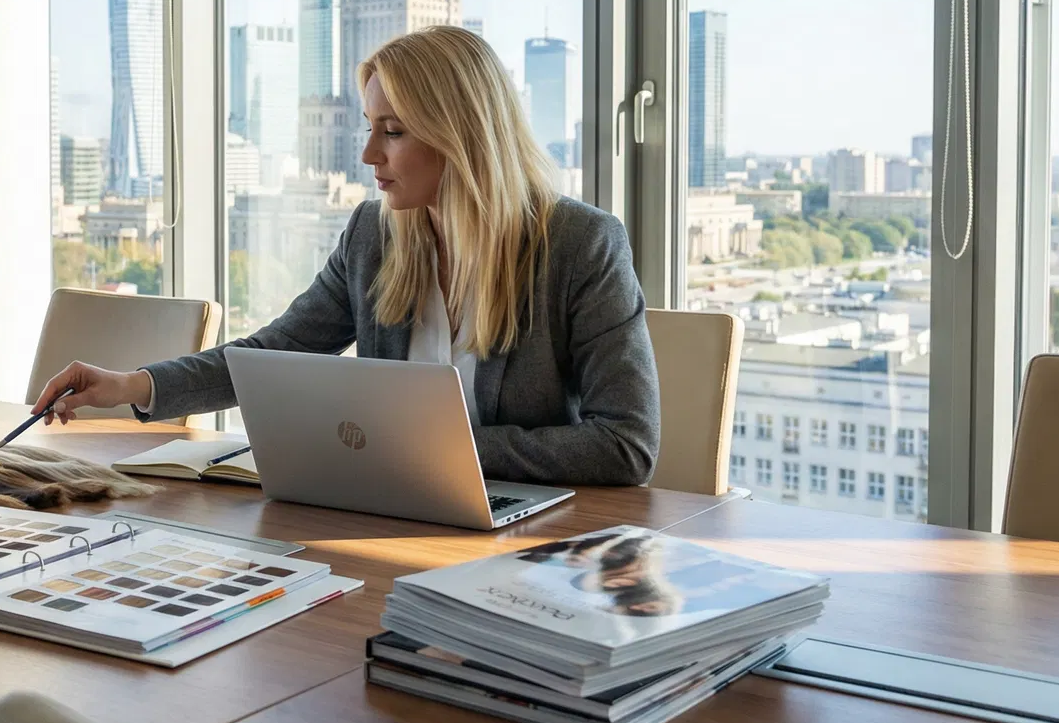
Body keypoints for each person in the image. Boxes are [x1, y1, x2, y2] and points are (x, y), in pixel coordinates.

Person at [34, 25, 659, 486]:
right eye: (369, 127)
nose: (368, 156)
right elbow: (275, 353)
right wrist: (131, 386)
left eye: (393, 131)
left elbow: (625, 444)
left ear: (461, 134)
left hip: (527, 535)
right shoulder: (373, 235)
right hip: (385, 506)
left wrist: (431, 446)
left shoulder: (581, 246)